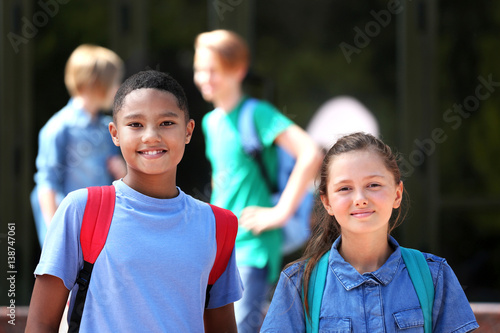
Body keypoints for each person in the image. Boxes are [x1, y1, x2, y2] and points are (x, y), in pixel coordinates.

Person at [25, 70, 243, 332]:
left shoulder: (218, 226)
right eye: (135, 124)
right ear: (115, 134)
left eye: (166, 123)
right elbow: (40, 324)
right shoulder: (81, 209)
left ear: (188, 131)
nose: (151, 136)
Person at [261, 132, 479, 332]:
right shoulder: (298, 284)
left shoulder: (434, 276)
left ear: (397, 193)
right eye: (344, 188)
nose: (360, 199)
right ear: (326, 201)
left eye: (373, 185)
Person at [193, 29, 323, 332]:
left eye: (213, 70)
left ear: (238, 70)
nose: (204, 77)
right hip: (220, 246)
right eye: (200, 69)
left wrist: (280, 212)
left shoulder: (258, 113)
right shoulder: (211, 121)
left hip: (253, 245)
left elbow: (310, 153)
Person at [30, 44, 126, 247]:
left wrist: (122, 173)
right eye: (114, 82)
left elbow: (118, 179)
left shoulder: (106, 127)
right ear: (95, 83)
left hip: (101, 230)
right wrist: (54, 235)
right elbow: (46, 184)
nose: (119, 89)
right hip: (70, 231)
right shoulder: (59, 128)